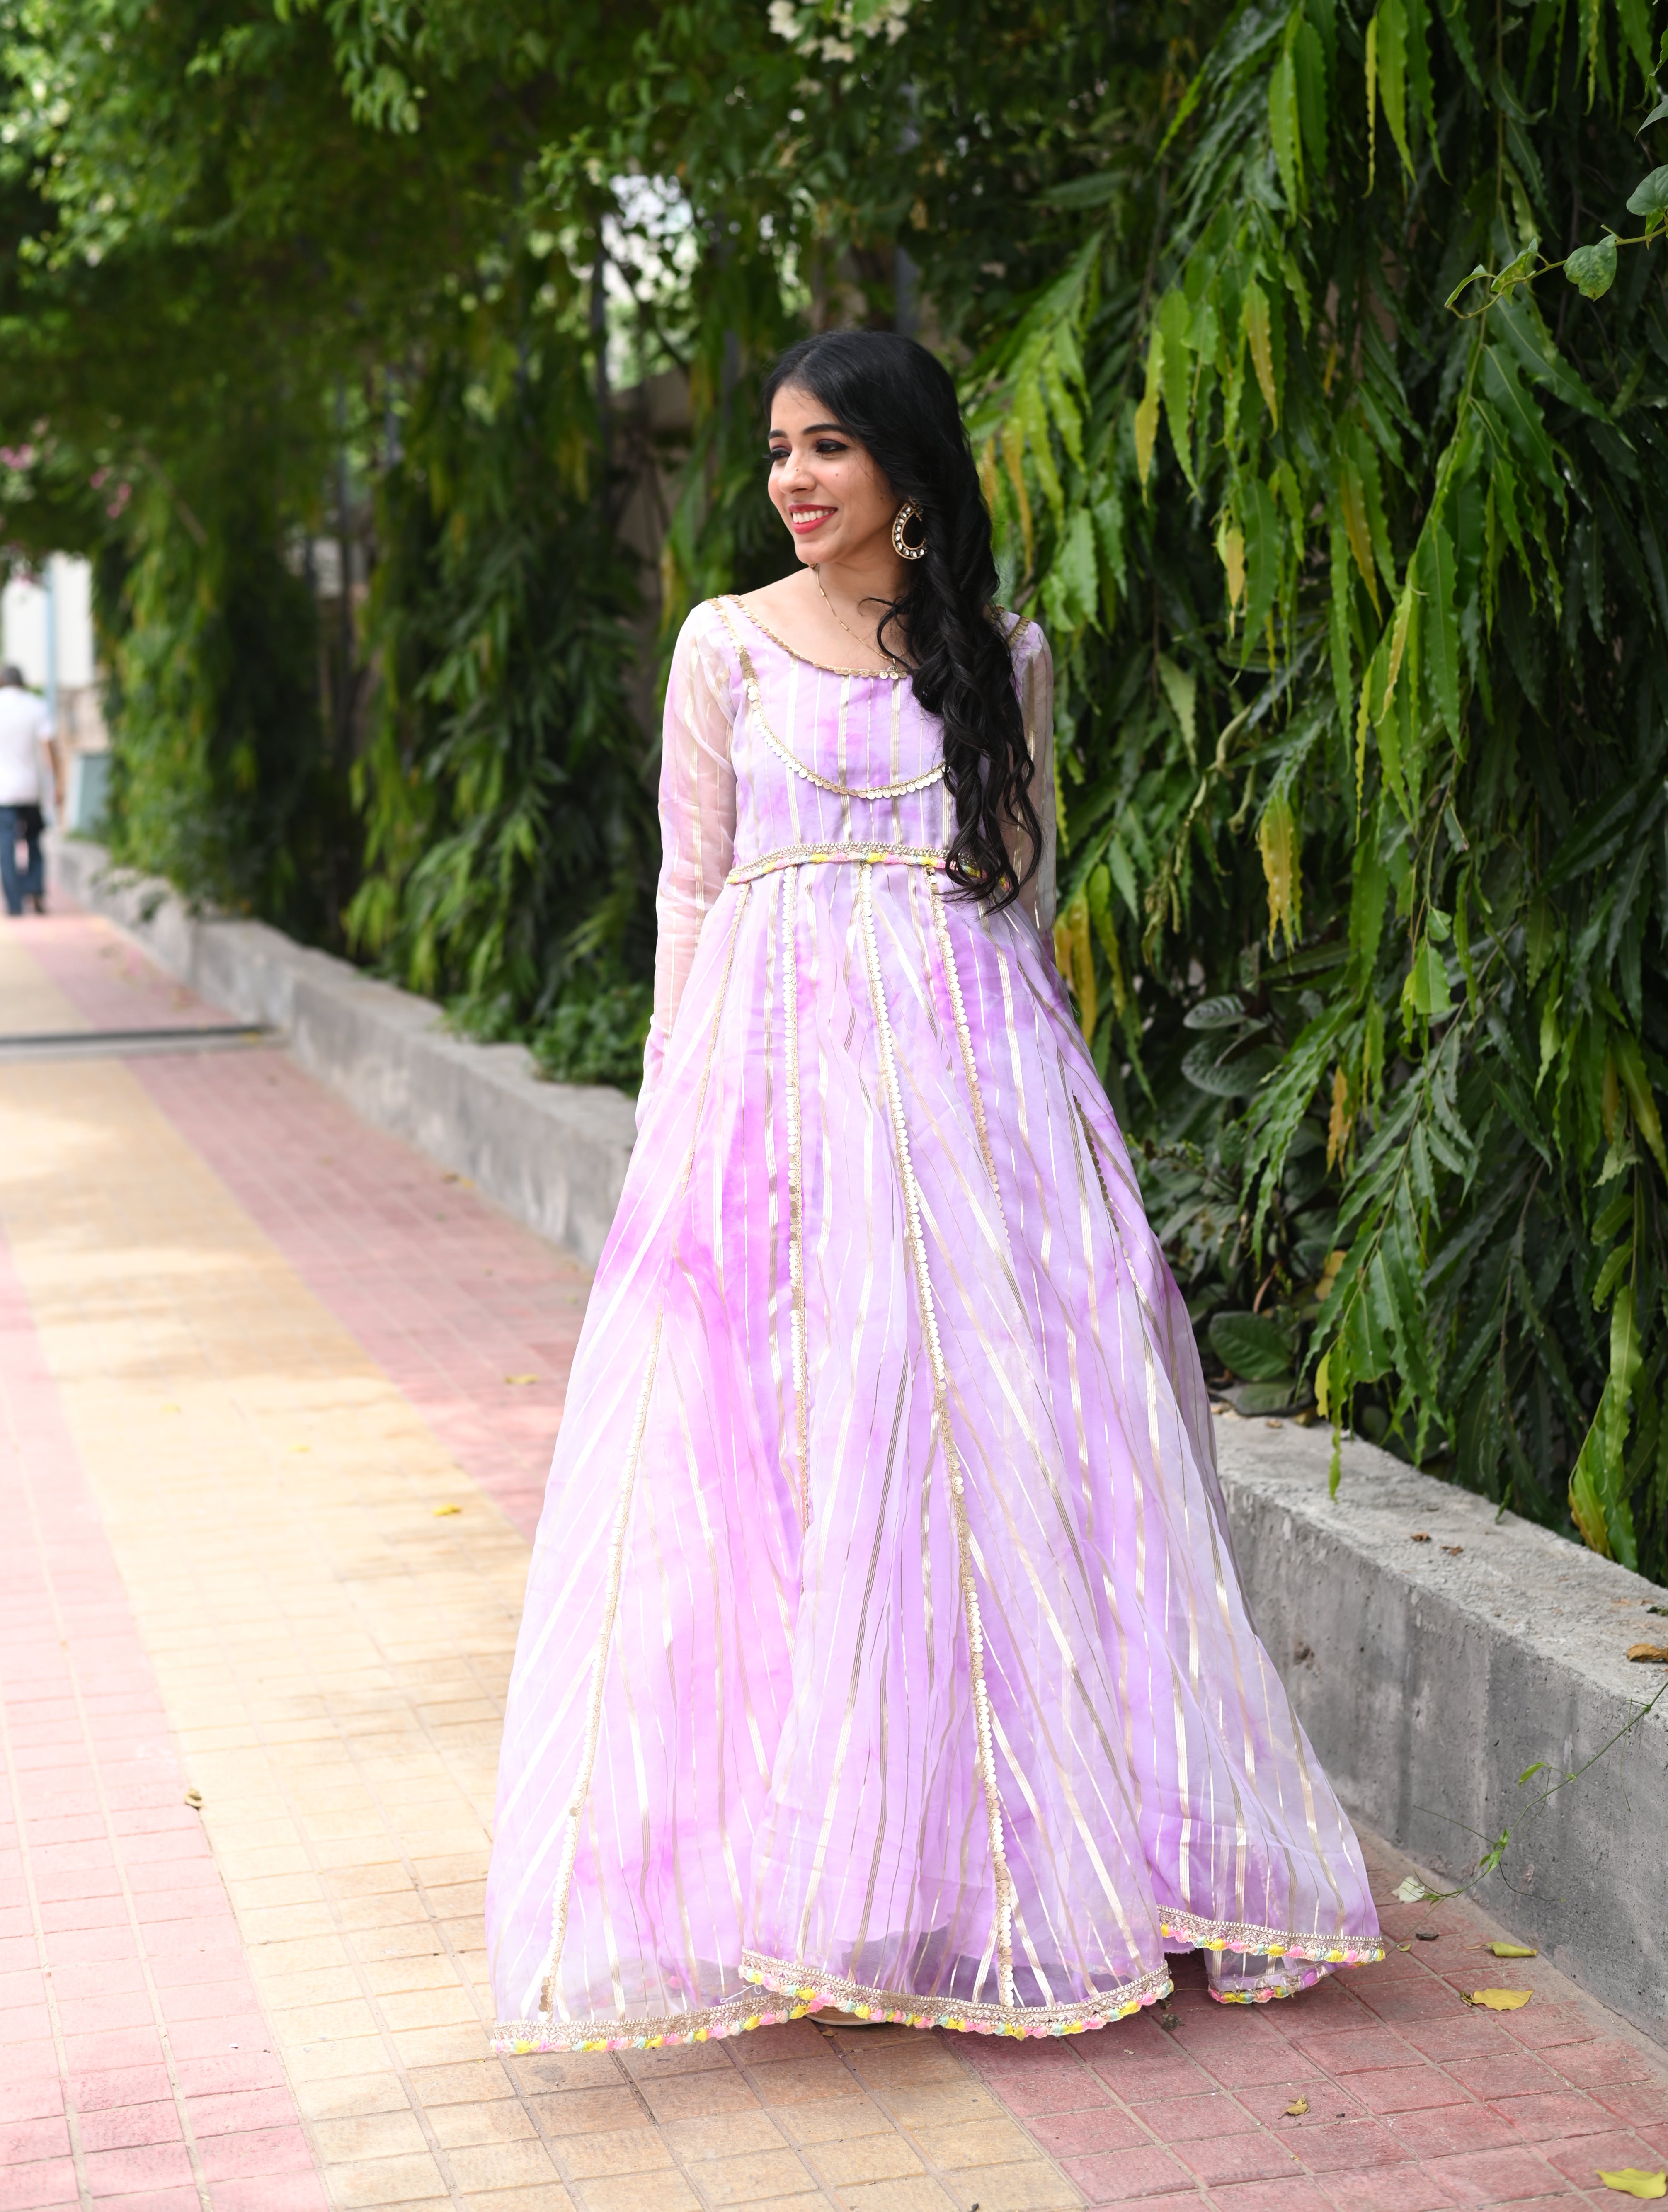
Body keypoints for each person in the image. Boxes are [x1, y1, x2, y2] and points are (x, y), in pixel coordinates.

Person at [487, 330, 1381, 2055]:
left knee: (1000, 1451)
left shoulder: (1002, 655)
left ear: (906, 466)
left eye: (826, 449)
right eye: (774, 453)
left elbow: (1017, 895)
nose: (793, 483)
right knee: (801, 1458)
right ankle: (825, 1879)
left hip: (979, 1107)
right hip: (772, 1106)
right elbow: (689, 889)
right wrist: (675, 1110)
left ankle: (1016, 1869)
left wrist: (1046, 1135)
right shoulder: (723, 649)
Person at [0, 662, 62, 920]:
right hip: (31, 789)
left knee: (6, 846)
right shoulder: (36, 707)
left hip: (3, 792)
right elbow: (49, 747)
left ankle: (15, 904)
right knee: (34, 841)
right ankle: (35, 890)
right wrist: (59, 782)